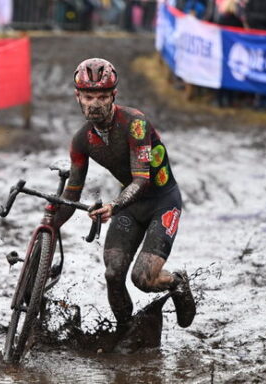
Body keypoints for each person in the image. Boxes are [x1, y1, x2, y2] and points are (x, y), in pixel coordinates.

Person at [50, 58, 196, 334]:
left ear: (114, 95)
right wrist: (50, 225)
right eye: (89, 96)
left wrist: (113, 206)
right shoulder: (81, 140)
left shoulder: (135, 123)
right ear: (77, 97)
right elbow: (72, 191)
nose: (95, 103)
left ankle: (177, 281)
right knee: (113, 273)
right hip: (130, 206)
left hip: (161, 202)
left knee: (143, 278)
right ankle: (125, 332)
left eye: (103, 96)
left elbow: (142, 179)